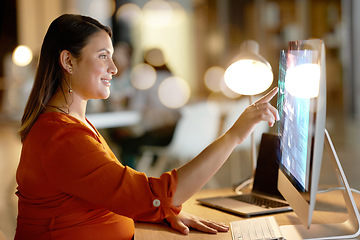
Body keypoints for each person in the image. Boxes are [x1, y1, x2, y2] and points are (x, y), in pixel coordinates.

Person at [15, 14, 279, 240]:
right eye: (103, 56)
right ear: (68, 61)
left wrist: (162, 211)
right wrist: (234, 135)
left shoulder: (70, 125)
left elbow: (119, 196)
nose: (114, 68)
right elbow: (155, 195)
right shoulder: (62, 137)